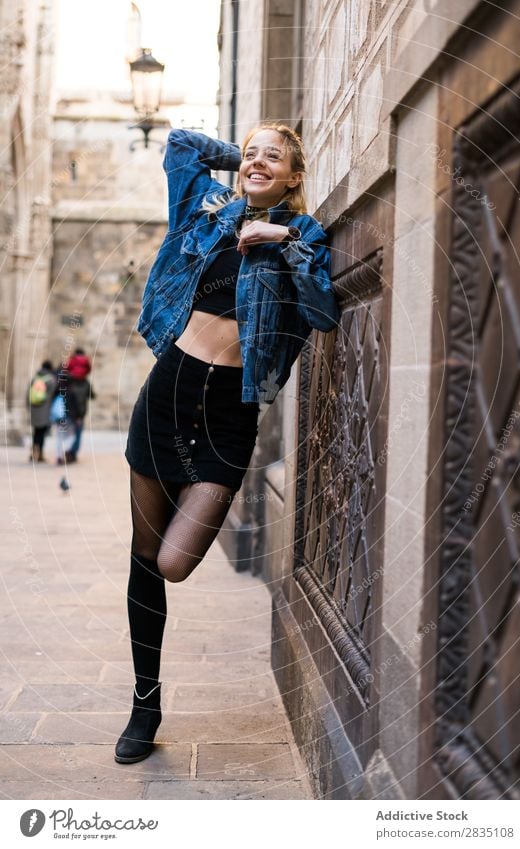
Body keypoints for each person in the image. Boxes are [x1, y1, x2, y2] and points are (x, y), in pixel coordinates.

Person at [115, 124, 340, 764]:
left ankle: (146, 696)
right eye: (250, 153)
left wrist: (284, 237)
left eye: (274, 156)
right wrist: (242, 158)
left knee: (174, 562)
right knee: (141, 558)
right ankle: (144, 702)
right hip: (167, 396)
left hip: (228, 418)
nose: (256, 161)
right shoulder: (207, 210)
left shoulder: (307, 236)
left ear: (297, 177)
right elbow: (182, 144)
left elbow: (323, 312)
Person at [65, 348, 94, 462]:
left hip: (68, 409)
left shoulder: (68, 380)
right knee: (77, 433)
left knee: (67, 432)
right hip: (80, 412)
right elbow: (92, 395)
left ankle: (68, 451)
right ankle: (72, 453)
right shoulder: (85, 382)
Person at [27, 360, 57, 462]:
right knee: (42, 432)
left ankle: (33, 452)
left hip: (34, 408)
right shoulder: (51, 380)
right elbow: (53, 396)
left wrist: (29, 407)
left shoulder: (34, 378)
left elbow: (28, 394)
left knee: (36, 431)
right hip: (45, 409)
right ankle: (40, 454)